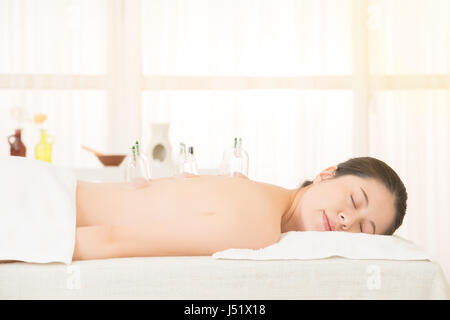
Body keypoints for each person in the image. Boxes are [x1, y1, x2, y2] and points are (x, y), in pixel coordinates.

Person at [72, 156, 408, 261]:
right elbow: (111, 239)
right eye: (354, 200)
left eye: (365, 229)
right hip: (49, 207)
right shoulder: (258, 223)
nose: (348, 220)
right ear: (325, 175)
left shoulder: (258, 196)